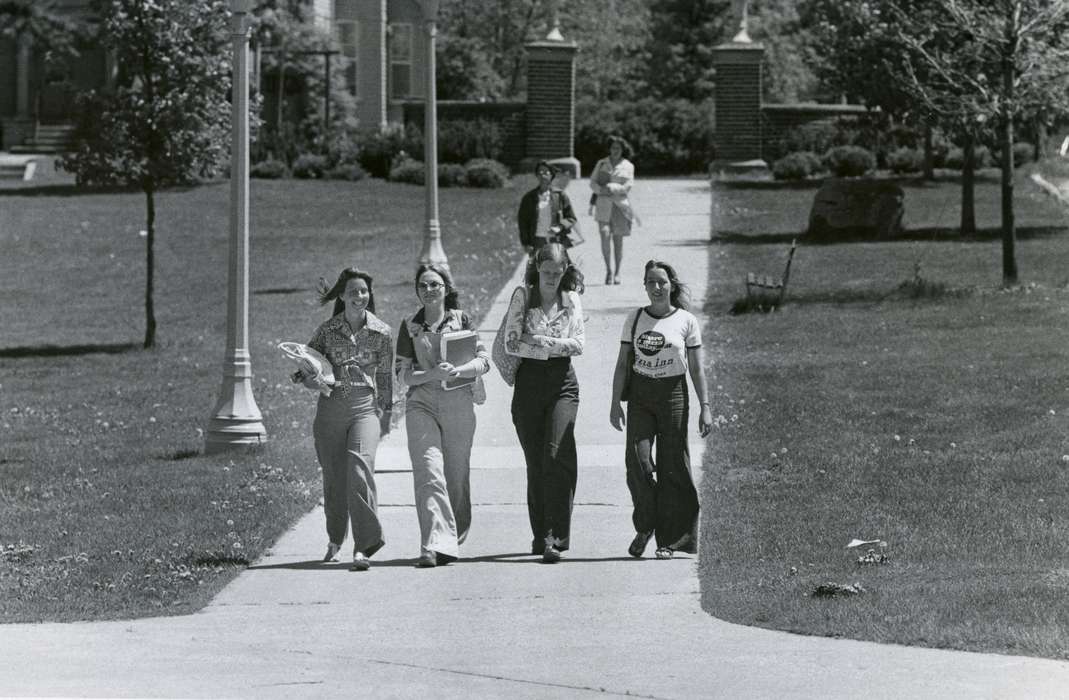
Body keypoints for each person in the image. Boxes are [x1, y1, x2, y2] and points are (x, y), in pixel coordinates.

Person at [609, 260, 712, 560]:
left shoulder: (686, 321)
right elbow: (621, 363)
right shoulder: (635, 318)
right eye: (651, 282)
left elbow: (696, 368)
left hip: (673, 395)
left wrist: (705, 407)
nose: (656, 288)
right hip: (641, 395)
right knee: (638, 462)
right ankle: (646, 524)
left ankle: (672, 539)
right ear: (644, 285)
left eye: (662, 282)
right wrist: (615, 402)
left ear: (671, 285)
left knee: (673, 465)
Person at [395, 264, 491, 568]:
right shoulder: (409, 325)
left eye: (434, 285)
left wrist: (459, 371)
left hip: (458, 403)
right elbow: (403, 376)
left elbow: (484, 361)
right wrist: (431, 374)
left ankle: (454, 535)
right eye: (422, 286)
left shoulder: (462, 320)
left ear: (445, 289)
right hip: (421, 403)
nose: (428, 291)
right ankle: (433, 544)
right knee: (428, 472)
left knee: (456, 475)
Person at [299, 267, 393, 572]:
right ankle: (335, 539)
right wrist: (312, 379)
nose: (360, 297)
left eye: (364, 291)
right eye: (353, 291)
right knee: (335, 479)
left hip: (365, 408)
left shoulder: (382, 332)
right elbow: (305, 366)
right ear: (341, 295)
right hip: (330, 409)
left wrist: (386, 413)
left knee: (359, 469)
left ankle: (364, 545)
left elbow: (385, 377)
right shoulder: (327, 330)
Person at [501, 243, 585, 563]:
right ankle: (540, 534)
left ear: (565, 270)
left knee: (557, 455)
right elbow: (511, 342)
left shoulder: (571, 299)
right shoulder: (523, 296)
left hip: (562, 383)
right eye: (546, 272)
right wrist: (541, 348)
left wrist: (542, 343)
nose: (551, 278)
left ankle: (556, 537)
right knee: (537, 463)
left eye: (557, 272)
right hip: (529, 385)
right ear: (537, 268)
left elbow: (578, 345)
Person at [589, 135, 636, 285]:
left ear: (623, 150)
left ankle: (617, 273)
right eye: (613, 147)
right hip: (603, 205)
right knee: (604, 235)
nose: (615, 151)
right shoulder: (602, 163)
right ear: (609, 148)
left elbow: (628, 185)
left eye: (618, 148)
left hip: (620, 206)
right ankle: (608, 270)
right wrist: (601, 191)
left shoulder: (628, 166)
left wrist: (613, 188)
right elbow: (592, 182)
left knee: (618, 241)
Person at [517, 160, 578, 255]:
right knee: (538, 269)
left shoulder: (560, 195)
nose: (542, 175)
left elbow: (571, 218)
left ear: (551, 175)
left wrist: (560, 226)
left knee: (556, 268)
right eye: (539, 172)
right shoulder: (529, 198)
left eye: (545, 172)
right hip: (536, 241)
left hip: (556, 240)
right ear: (537, 176)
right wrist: (526, 243)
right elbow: (523, 222)